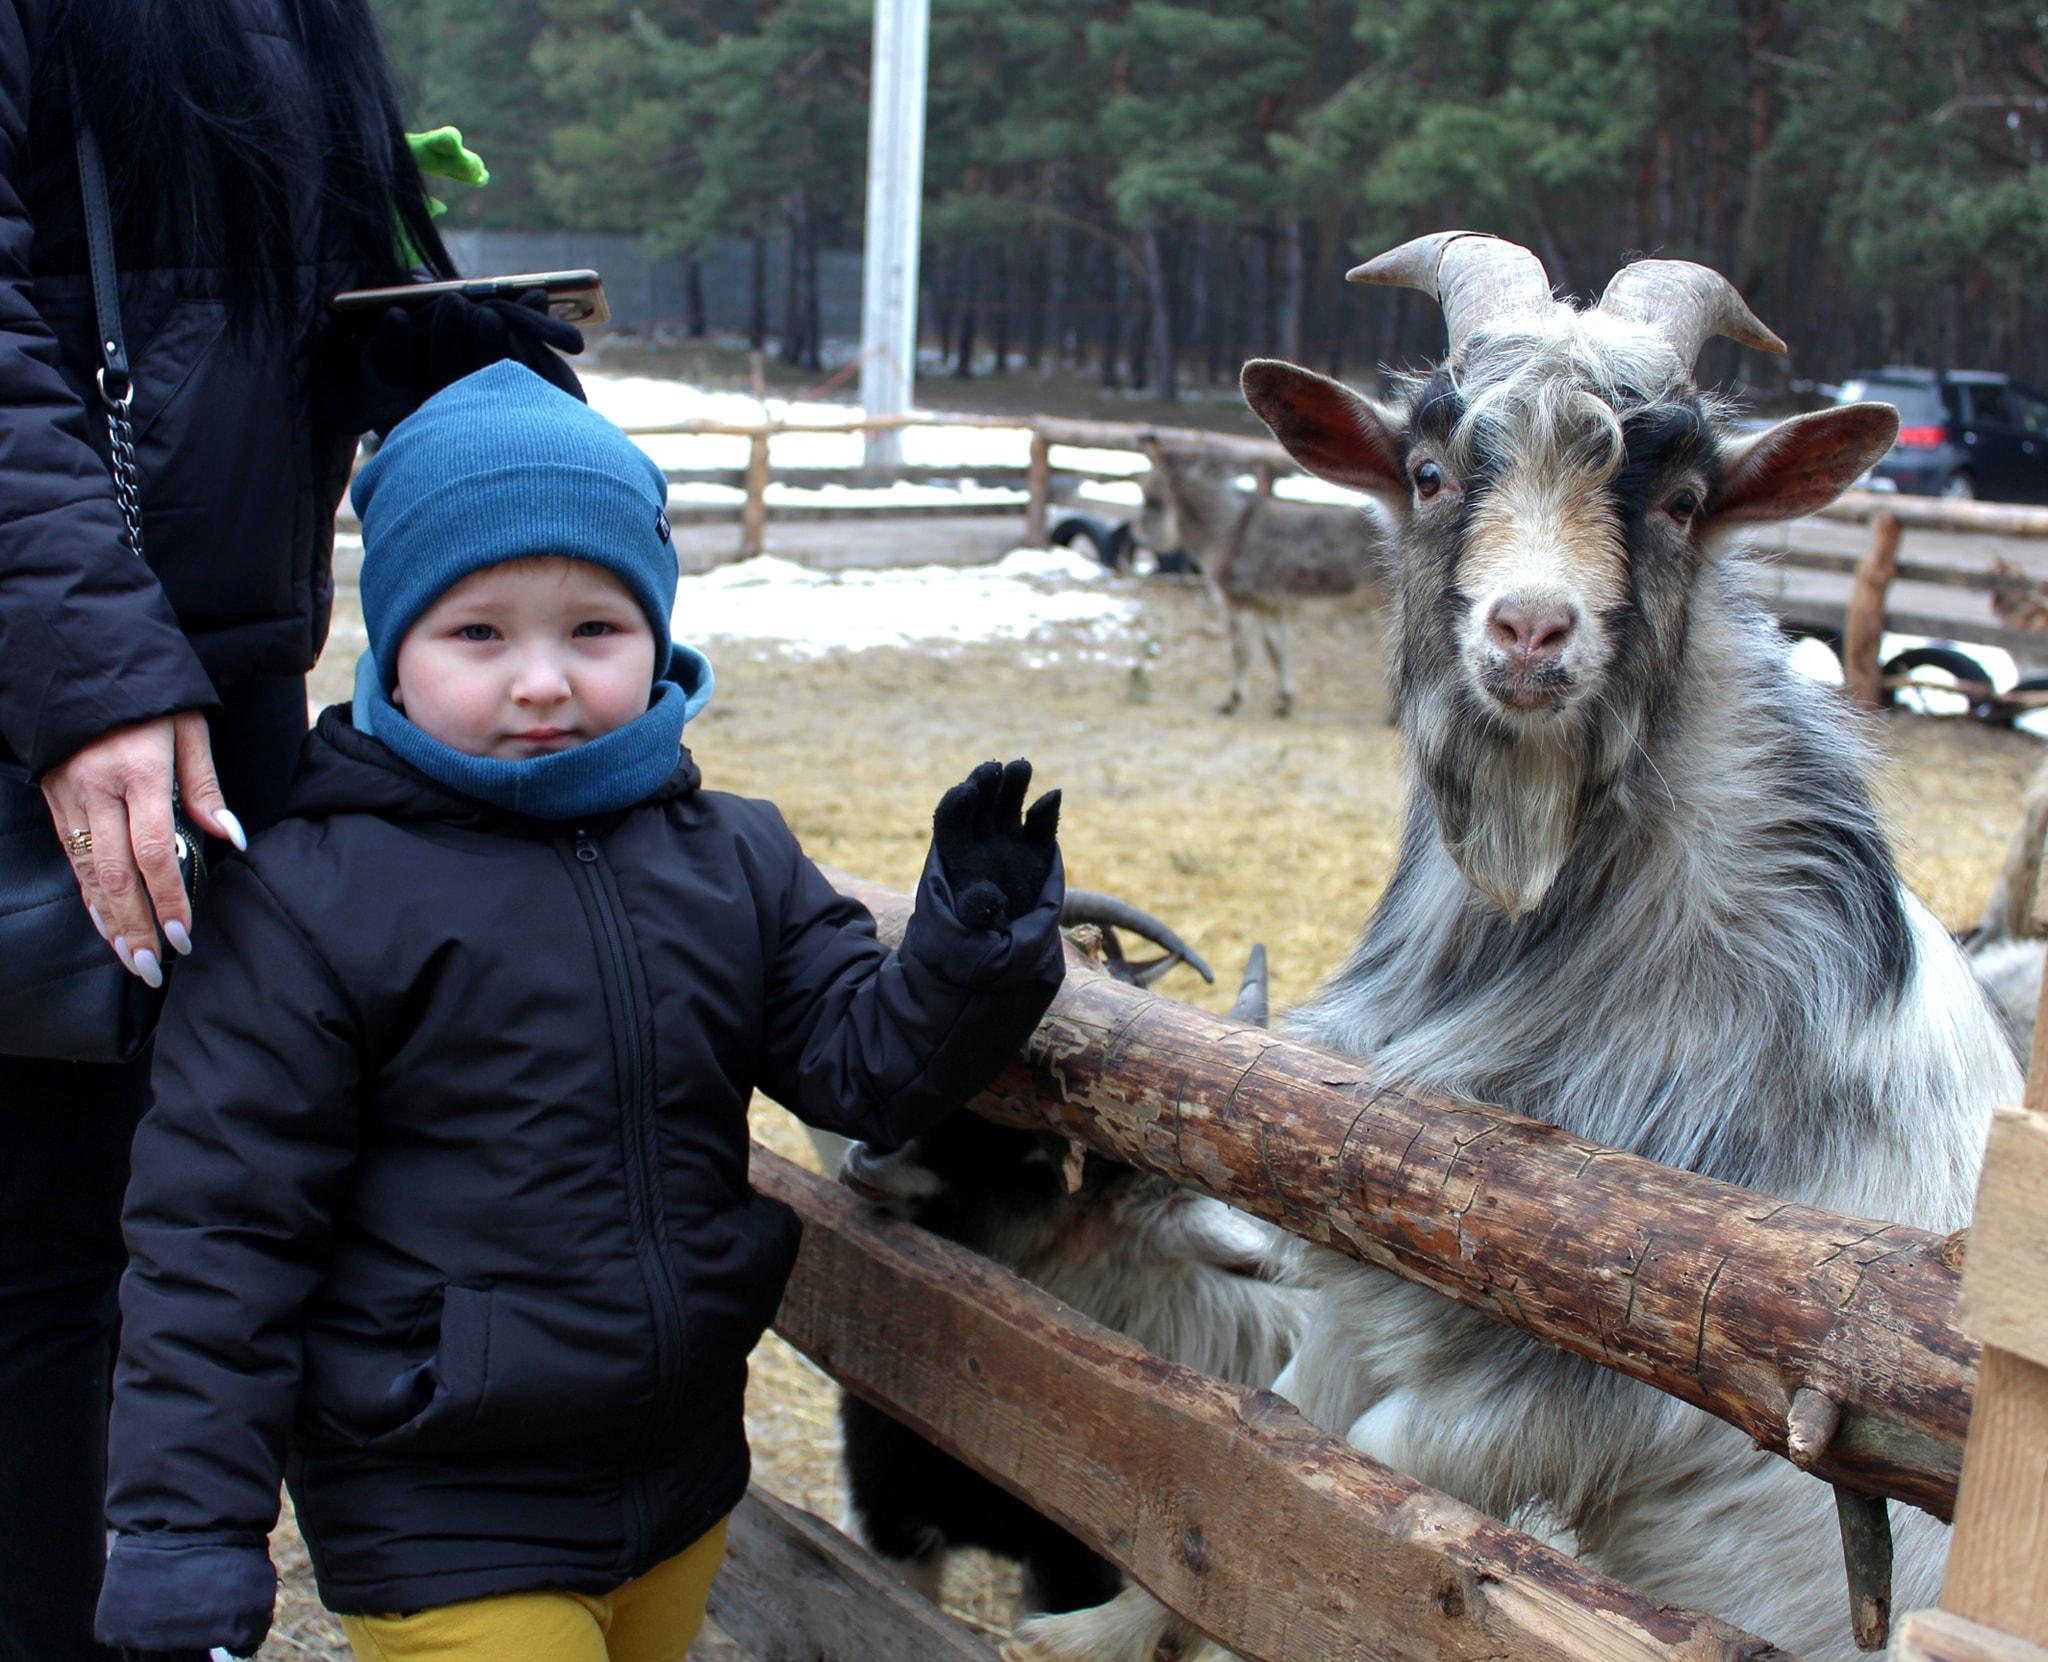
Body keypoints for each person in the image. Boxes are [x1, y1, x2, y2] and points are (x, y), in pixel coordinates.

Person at [90, 360, 1068, 1662]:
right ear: (393, 639)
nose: (542, 681)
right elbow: (219, 1231)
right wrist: (182, 1532)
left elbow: (860, 1068)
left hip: (677, 1489)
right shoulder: (310, 903)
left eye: (593, 630)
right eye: (480, 633)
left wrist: (972, 950)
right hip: (441, 1511)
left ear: (657, 630)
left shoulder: (733, 857)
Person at [0, 6, 585, 1657]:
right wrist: (91, 672)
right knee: (48, 1245)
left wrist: (437, 345)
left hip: (215, 680)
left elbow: (243, 285)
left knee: (199, 1196)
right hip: (65, 692)